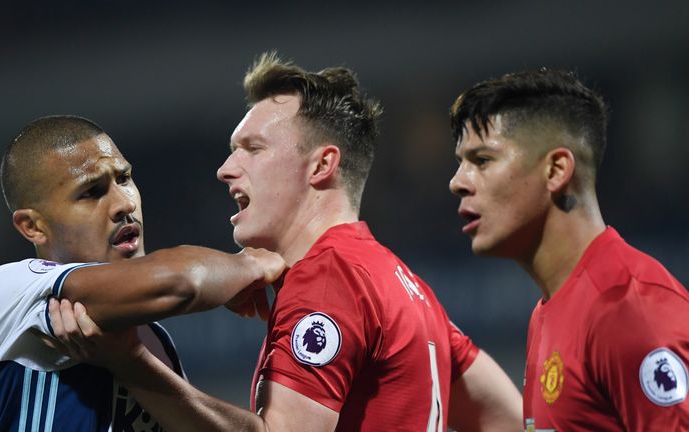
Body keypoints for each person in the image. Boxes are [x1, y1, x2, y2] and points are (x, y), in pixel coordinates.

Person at [50, 53, 522, 431]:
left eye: (252, 149)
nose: (226, 169)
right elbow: (503, 417)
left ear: (321, 166)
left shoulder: (328, 276)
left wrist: (132, 366)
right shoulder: (405, 285)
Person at [0, 115, 285, 431]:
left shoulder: (149, 339)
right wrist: (247, 265)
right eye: (91, 192)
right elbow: (182, 281)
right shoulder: (8, 292)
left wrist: (133, 364)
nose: (123, 203)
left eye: (124, 179)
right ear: (33, 226)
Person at [449, 69, 689, 430]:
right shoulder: (548, 311)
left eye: (482, 160)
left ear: (556, 170)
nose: (457, 183)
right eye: (461, 163)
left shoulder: (628, 309)